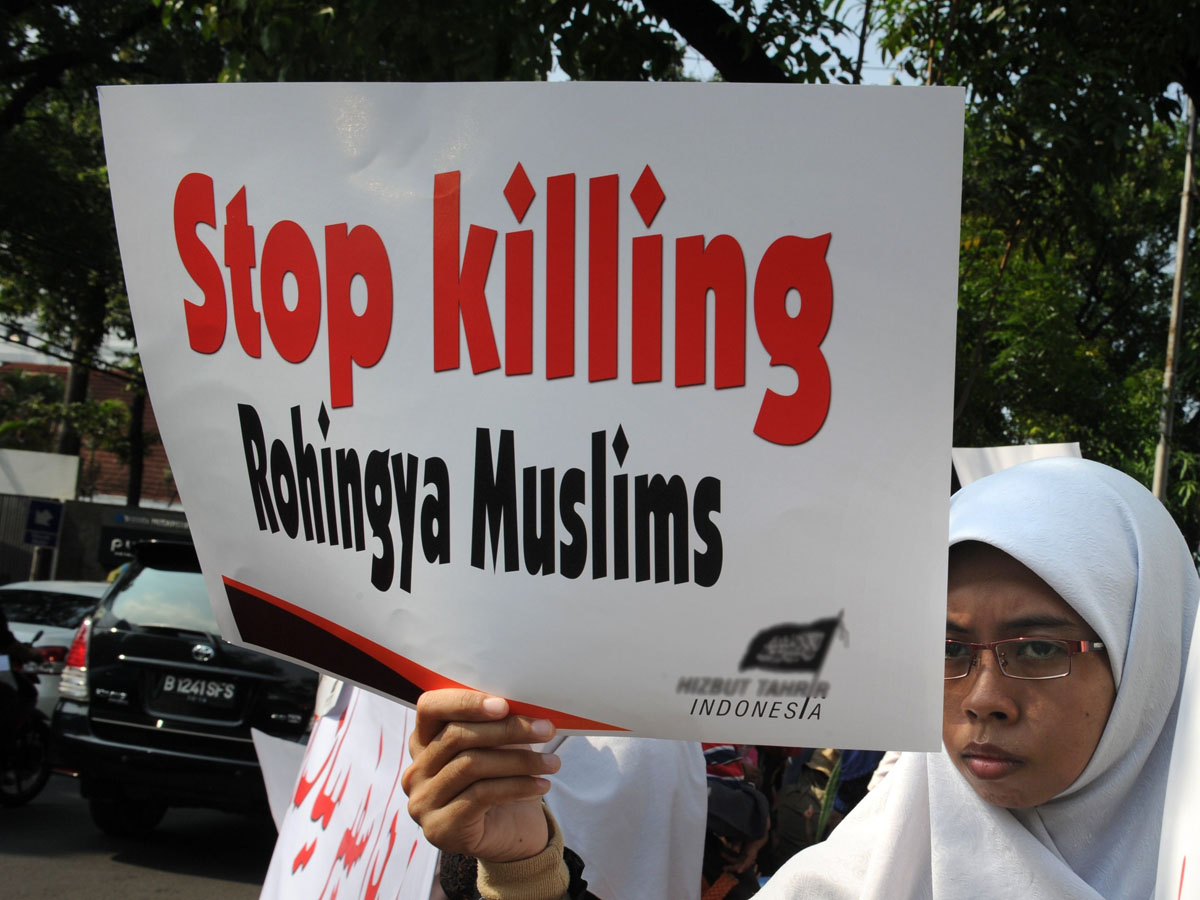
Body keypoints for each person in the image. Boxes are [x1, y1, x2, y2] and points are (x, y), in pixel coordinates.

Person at [403, 458, 1197, 899]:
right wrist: (521, 868)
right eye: (946, 648)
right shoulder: (876, 865)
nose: (984, 697)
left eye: (1033, 650)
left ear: (1148, 663)